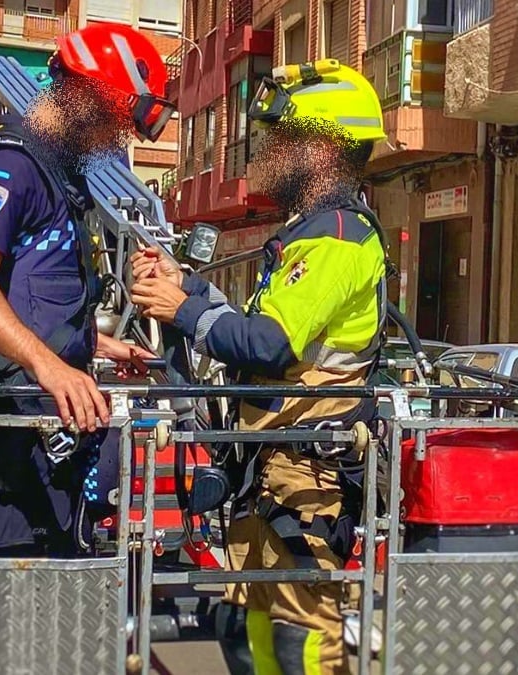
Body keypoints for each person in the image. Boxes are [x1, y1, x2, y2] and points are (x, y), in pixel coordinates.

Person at [130, 59, 390, 674]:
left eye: (283, 138)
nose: (268, 150)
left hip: (307, 480)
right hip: (271, 472)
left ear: (322, 148)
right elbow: (259, 329)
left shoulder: (336, 238)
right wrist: (186, 288)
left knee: (306, 641)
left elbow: (269, 344)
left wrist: (180, 311)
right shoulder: (307, 234)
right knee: (251, 634)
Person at [0, 21, 175, 557]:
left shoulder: (58, 173)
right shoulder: (10, 168)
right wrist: (51, 366)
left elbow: (33, 295)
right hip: (15, 435)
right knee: (20, 596)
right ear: (88, 97)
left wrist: (94, 345)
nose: (119, 138)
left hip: (51, 427)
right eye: (117, 121)